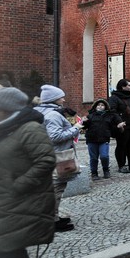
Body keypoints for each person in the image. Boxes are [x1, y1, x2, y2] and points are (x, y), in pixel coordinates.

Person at [0, 88, 56, 258]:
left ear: (5, 109)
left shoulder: (29, 128)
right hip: (7, 197)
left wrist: (18, 185)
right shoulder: (5, 129)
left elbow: (46, 160)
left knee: (7, 245)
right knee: (6, 245)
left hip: (24, 197)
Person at [34, 84, 81, 232]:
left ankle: (52, 217)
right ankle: (52, 221)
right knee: (56, 188)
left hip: (46, 154)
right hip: (58, 155)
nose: (64, 99)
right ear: (54, 99)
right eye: (61, 96)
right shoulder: (53, 115)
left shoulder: (40, 111)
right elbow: (56, 136)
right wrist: (76, 128)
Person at [81, 98, 125, 179]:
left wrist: (118, 127)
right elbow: (84, 127)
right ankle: (94, 173)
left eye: (102, 105)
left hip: (104, 139)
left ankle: (106, 170)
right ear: (95, 106)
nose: (100, 107)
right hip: (91, 139)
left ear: (105, 107)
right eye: (98, 105)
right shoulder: (90, 116)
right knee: (93, 158)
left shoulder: (109, 116)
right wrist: (84, 122)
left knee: (104, 156)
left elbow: (112, 129)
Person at [108, 79, 130, 173]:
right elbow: (112, 111)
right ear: (123, 87)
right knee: (121, 146)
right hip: (122, 126)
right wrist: (119, 122)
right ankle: (121, 165)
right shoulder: (114, 98)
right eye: (129, 85)